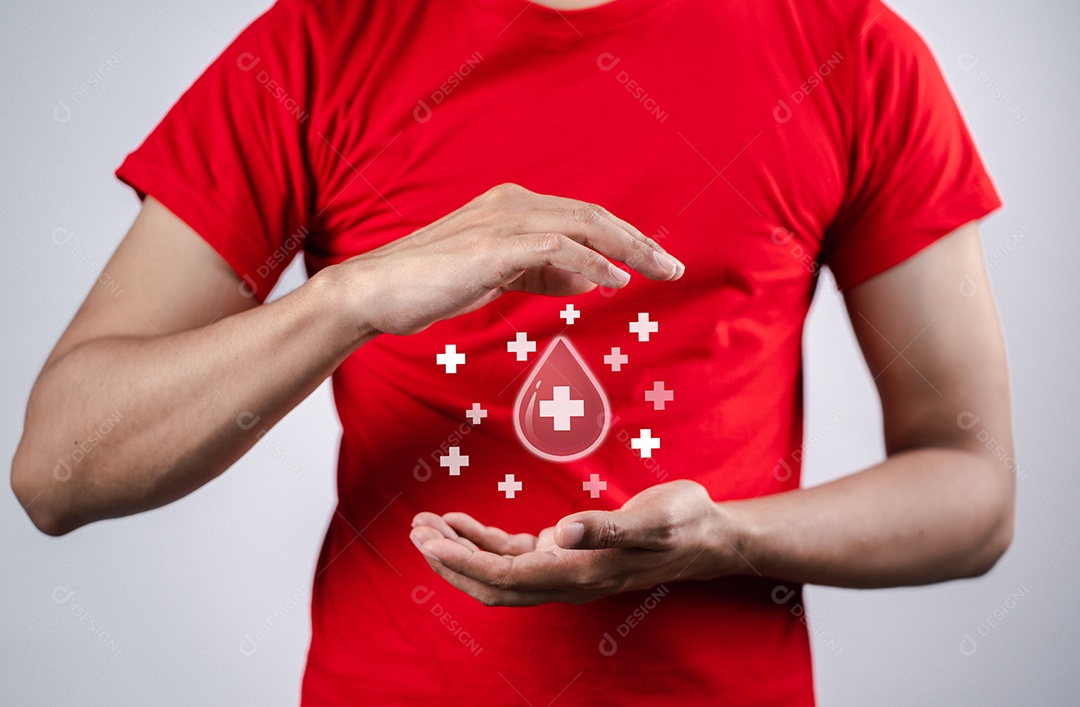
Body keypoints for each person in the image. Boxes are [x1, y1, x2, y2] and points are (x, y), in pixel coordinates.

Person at [12, 0, 1015, 703]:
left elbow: (971, 491)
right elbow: (58, 471)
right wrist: (348, 296)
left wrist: (729, 537)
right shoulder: (317, 43)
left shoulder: (853, 49)